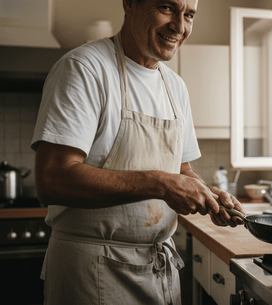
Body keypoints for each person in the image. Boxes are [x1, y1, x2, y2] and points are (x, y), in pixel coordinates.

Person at [31, 0, 245, 304]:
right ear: (129, 3)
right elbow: (53, 180)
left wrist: (208, 195)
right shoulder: (85, 68)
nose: (180, 27)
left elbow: (181, 170)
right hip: (93, 271)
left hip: (159, 270)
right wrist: (160, 184)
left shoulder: (175, 87)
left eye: (189, 15)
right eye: (167, 7)